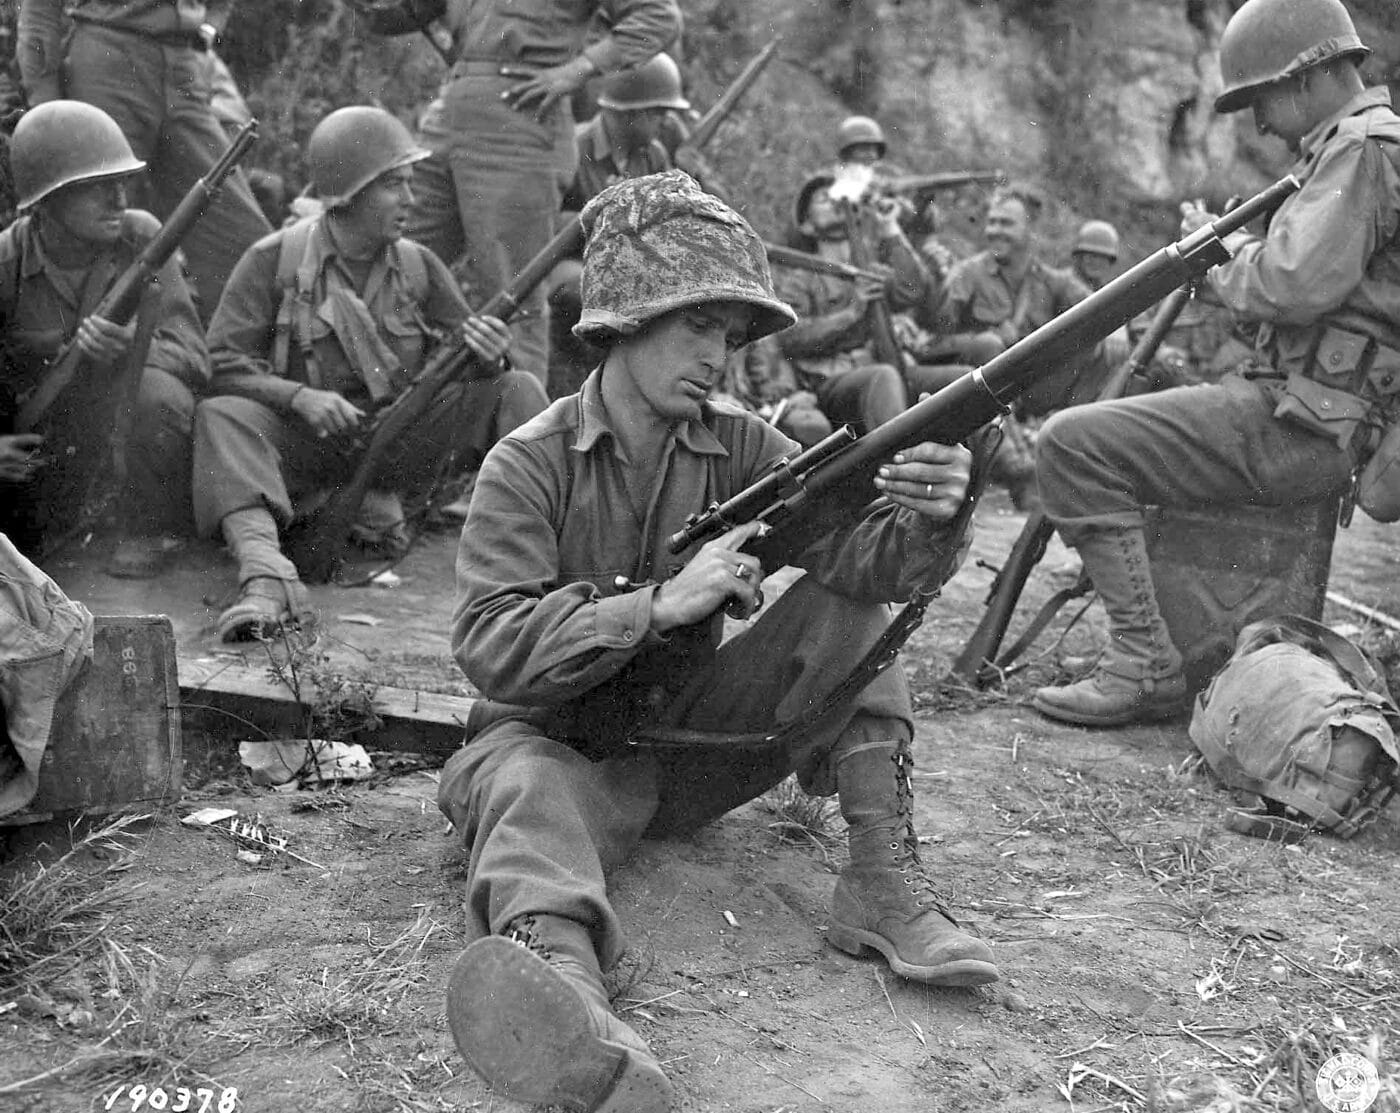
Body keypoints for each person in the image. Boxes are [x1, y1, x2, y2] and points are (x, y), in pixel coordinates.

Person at [439, 171, 999, 1113]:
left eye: (732, 336)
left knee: (847, 611)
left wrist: (935, 512)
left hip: (686, 757)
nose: (719, 357)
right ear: (623, 320)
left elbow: (868, 564)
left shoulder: (741, 443)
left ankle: (879, 883)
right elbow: (490, 643)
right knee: (529, 790)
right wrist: (657, 605)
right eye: (697, 324)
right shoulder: (527, 461)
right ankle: (568, 1004)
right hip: (551, 745)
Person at [1031, 0, 1400, 727]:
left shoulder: (1359, 150)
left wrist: (1222, 254)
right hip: (1311, 416)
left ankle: (1142, 662)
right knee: (1119, 389)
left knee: (1071, 443)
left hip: (1300, 424)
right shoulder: (1351, 151)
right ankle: (1171, 645)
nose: (1258, 123)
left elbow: (1292, 283)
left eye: (1260, 98)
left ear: (1311, 75)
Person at [192, 106, 548, 642]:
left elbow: (471, 357)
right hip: (309, 445)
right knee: (221, 416)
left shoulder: (418, 264)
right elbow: (219, 363)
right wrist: (298, 397)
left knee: (519, 389)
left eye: (409, 184)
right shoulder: (274, 261)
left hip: (401, 442)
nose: (411, 199)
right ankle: (266, 577)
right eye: (393, 186)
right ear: (348, 193)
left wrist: (492, 354)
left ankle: (545, 567)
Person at [361, 0, 682, 380]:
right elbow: (398, 14)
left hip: (521, 120)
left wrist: (577, 70)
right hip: (451, 110)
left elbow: (659, 16)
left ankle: (519, 430)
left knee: (513, 299)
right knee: (395, 264)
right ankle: (381, 403)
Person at [0, 100, 207, 576]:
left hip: (111, 428)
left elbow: (194, 356)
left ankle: (146, 528)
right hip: (33, 452)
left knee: (161, 396)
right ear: (47, 200)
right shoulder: (7, 264)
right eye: (97, 189)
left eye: (121, 183)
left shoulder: (146, 241)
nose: (119, 200)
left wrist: (133, 348)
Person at [16, 0, 273, 324]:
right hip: (109, 62)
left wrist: (209, 27)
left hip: (185, 67)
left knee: (240, 232)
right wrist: (47, 106)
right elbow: (40, 11)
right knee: (102, 227)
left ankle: (228, 358)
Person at [546, 53, 697, 402]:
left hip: (634, 267)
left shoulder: (653, 156)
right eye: (658, 113)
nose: (665, 123)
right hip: (570, 267)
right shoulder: (572, 148)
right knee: (583, 288)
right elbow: (542, 223)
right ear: (631, 112)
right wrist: (604, 219)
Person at [773, 171, 935, 438]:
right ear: (807, 226)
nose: (836, 201)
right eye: (824, 199)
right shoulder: (799, 279)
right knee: (883, 377)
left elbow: (912, 290)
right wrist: (853, 312)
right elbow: (790, 337)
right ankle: (901, 470)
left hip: (885, 369)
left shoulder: (869, 267)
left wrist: (890, 228)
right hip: (829, 386)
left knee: (961, 381)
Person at [1070, 219, 1120, 291]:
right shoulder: (1061, 285)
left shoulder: (1105, 293)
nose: (1096, 262)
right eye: (1092, 256)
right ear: (1079, 257)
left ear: (1110, 262)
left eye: (1103, 258)